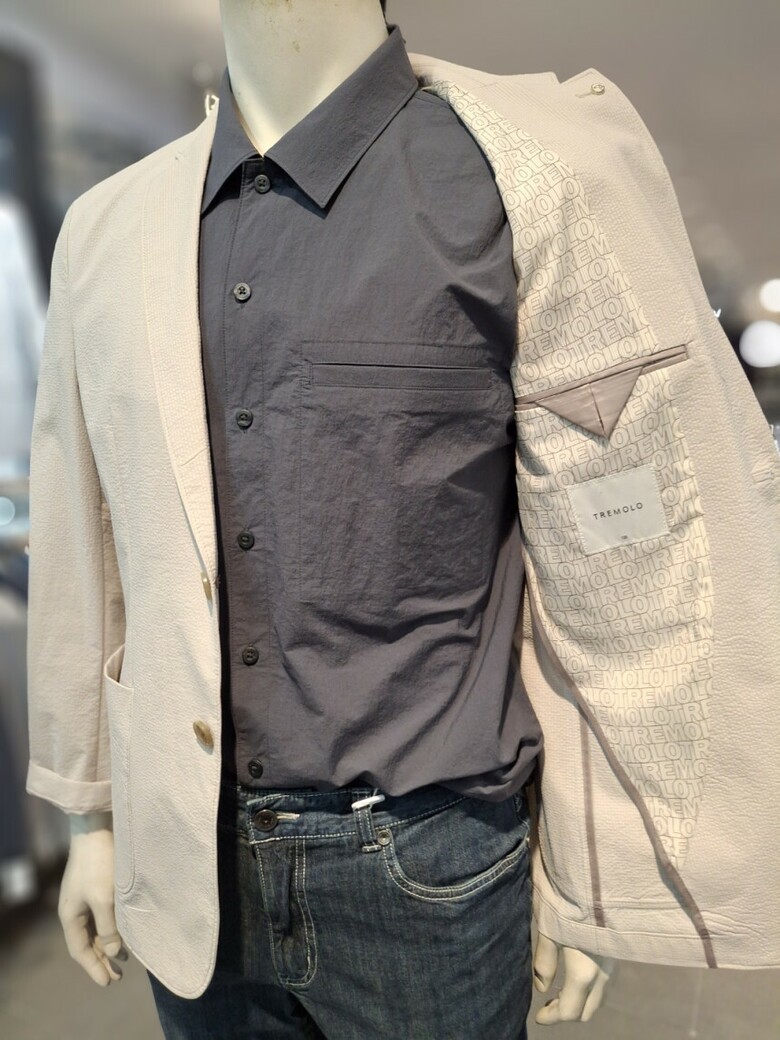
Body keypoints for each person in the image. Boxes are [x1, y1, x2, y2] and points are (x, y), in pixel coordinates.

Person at [26, 2, 780, 1038]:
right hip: (188, 860)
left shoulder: (515, 179)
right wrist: (91, 813)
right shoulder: (108, 232)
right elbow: (85, 541)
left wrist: (588, 859)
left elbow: (610, 568)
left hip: (429, 867)